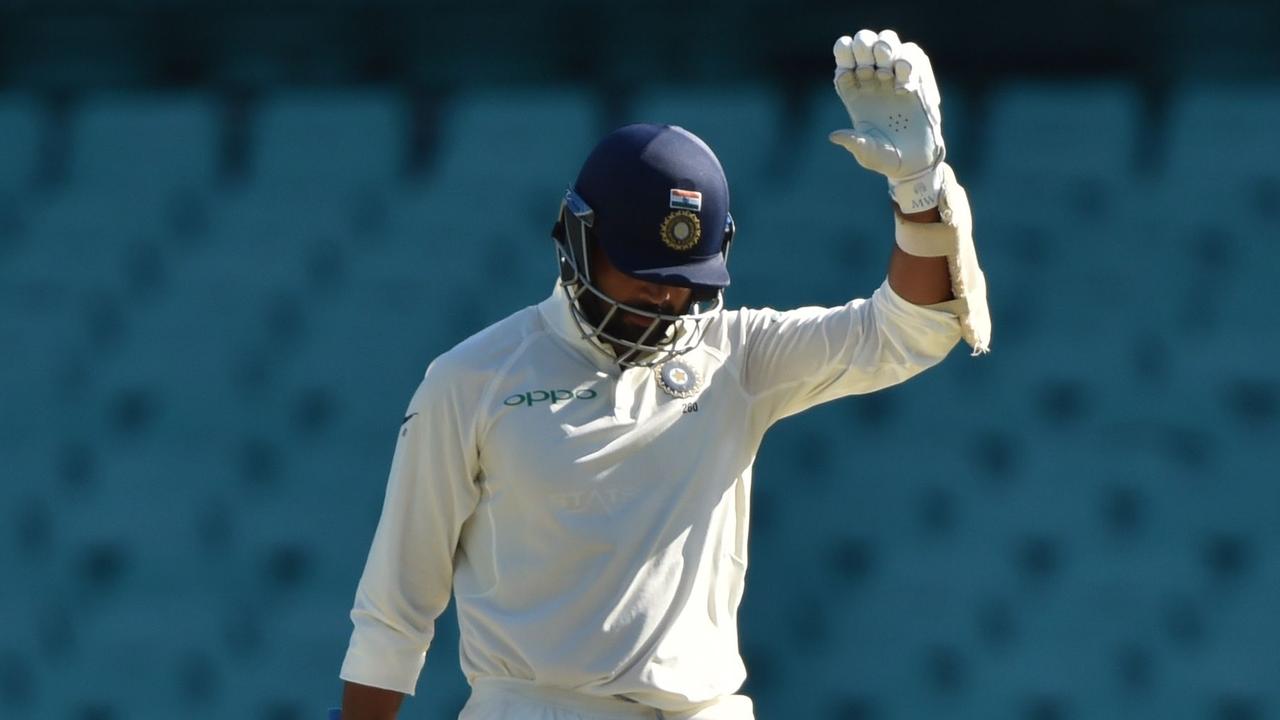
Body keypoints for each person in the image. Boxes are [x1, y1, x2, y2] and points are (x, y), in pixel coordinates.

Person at [337, 28, 990, 720]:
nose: (665, 299)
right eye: (644, 275)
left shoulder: (734, 356)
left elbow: (907, 329)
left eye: (683, 283)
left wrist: (919, 188)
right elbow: (395, 611)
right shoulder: (472, 379)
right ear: (580, 239)